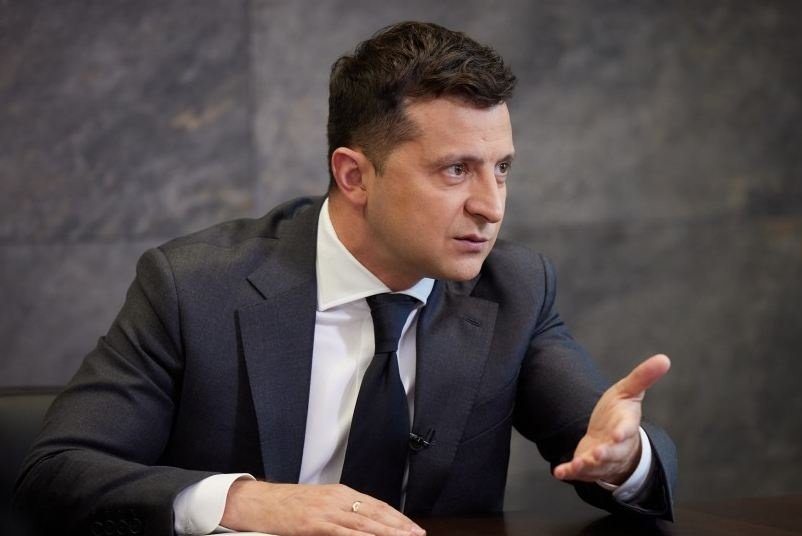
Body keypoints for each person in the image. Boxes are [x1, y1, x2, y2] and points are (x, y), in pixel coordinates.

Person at [14, 21, 677, 536]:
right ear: (354, 175)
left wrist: (625, 460)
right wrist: (247, 502)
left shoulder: (515, 288)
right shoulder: (194, 287)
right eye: (455, 170)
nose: (491, 205)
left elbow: (600, 440)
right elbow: (58, 470)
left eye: (501, 168)